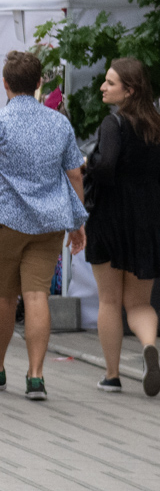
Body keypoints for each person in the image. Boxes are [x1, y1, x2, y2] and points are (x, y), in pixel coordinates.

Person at [0, 51, 87, 400]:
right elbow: (74, 173)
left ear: (6, 83)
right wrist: (78, 219)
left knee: (3, 297)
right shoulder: (59, 124)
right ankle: (36, 375)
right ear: (40, 82)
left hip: (4, 221)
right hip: (49, 222)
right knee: (38, 295)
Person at [83, 57, 160, 396]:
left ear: (129, 90)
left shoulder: (114, 124)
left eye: (110, 83)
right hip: (147, 222)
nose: (103, 86)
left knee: (109, 301)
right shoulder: (156, 125)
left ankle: (112, 376)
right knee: (141, 304)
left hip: (110, 221)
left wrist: (89, 161)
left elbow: (105, 168)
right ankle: (148, 345)